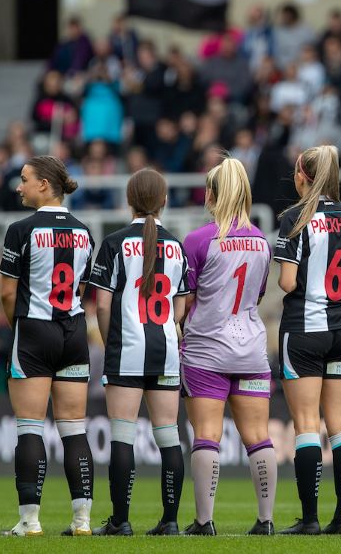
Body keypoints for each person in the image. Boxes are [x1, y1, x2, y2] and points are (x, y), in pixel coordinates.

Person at [273, 145, 341, 535]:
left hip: (304, 329)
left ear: (302, 177)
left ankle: (311, 519)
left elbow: (287, 282)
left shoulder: (296, 218)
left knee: (306, 424)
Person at [0, 156, 95, 536]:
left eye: (24, 180)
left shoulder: (20, 230)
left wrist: (19, 326)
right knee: (74, 430)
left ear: (44, 185)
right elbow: (80, 289)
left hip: (34, 332)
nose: (18, 186)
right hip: (73, 333)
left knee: (30, 429)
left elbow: (7, 293)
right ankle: (82, 521)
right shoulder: (85, 231)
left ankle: (30, 522)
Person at [180, 158, 277, 536]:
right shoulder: (261, 242)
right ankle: (266, 520)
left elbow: (187, 300)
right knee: (258, 435)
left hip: (206, 349)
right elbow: (258, 293)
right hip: (251, 347)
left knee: (207, 433)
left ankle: (204, 522)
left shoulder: (198, 240)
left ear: (214, 195)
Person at [91, 169, 190, 536]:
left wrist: (109, 341)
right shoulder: (176, 246)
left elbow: (102, 307)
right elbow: (180, 310)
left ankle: (120, 520)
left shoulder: (115, 243)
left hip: (127, 350)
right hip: (166, 351)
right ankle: (170, 521)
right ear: (164, 201)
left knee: (123, 435)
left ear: (129, 200)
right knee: (169, 436)